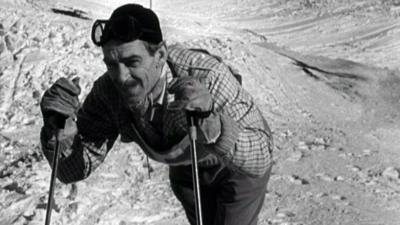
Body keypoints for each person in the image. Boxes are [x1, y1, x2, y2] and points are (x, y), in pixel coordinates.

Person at [40, 4, 273, 225]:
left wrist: (212, 124)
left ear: (160, 55)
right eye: (111, 64)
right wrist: (58, 128)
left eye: (132, 62)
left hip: (235, 168)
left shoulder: (205, 76)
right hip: (187, 169)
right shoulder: (108, 93)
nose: (121, 77)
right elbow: (73, 169)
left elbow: (260, 158)